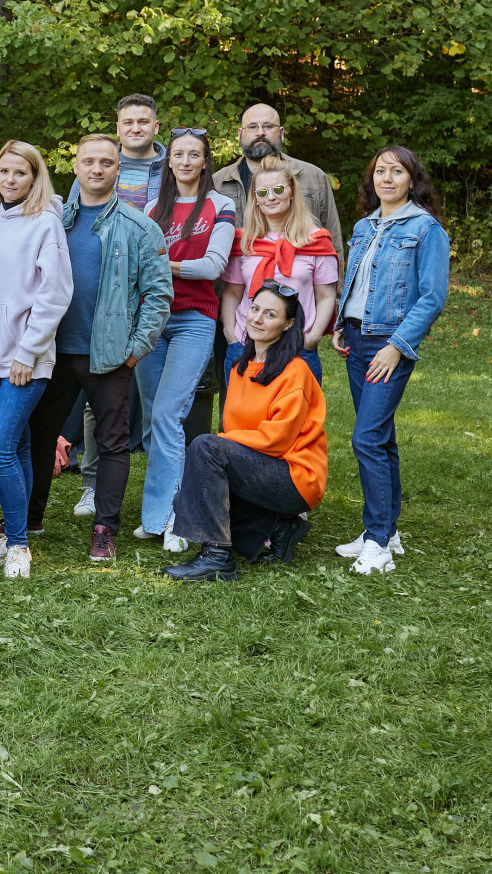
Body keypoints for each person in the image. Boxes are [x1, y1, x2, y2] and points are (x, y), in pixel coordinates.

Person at [23, 135, 172, 561]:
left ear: (118, 169)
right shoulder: (52, 221)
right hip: (53, 352)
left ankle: (105, 526)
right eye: (88, 161)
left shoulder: (140, 228)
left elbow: (159, 295)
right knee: (37, 435)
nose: (97, 169)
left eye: (106, 162)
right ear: (76, 166)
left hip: (108, 356)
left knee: (112, 443)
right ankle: (30, 519)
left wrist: (135, 349)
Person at [331, 146, 450, 575]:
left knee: (366, 439)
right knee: (381, 438)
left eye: (396, 171)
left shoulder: (426, 229)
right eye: (380, 171)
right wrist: (342, 323)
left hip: (388, 345)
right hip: (357, 340)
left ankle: (377, 543)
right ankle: (388, 531)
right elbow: (358, 280)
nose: (386, 178)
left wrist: (397, 345)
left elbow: (432, 296)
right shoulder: (364, 226)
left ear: (411, 180)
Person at [163, 283, 326, 581]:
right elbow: (235, 434)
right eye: (255, 309)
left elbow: (277, 441)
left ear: (288, 324)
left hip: (296, 476)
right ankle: (277, 528)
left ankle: (217, 558)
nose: (258, 319)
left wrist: (220, 445)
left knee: (206, 448)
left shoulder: (295, 371)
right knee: (197, 495)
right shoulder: (240, 367)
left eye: (270, 314)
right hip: (259, 465)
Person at [0, 141, 73, 579]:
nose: (10, 180)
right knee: (22, 443)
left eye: (20, 173)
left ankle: (17, 546)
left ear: (35, 178)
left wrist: (28, 351)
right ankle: (19, 527)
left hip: (24, 357)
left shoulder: (46, 222)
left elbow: (56, 292)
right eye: (3, 172)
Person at [134, 129, 237, 549]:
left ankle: (173, 517)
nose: (186, 161)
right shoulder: (153, 206)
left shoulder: (221, 205)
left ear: (205, 161)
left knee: (167, 416)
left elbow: (213, 266)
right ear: (169, 160)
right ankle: (157, 515)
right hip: (152, 321)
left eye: (194, 154)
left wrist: (163, 266)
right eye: (179, 154)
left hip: (195, 319)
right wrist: (170, 266)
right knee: (150, 419)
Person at [221, 156, 338, 381]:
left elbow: (325, 296)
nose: (271, 197)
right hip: (246, 346)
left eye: (278, 189)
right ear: (255, 199)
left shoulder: (315, 240)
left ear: (292, 192)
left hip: (297, 348)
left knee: (297, 415)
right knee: (242, 414)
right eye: (262, 192)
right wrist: (230, 334)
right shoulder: (244, 242)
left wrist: (311, 338)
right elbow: (232, 293)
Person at [215, 104, 344, 264]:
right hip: (234, 282)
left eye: (268, 126)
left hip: (299, 282)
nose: (260, 132)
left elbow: (333, 243)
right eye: (253, 126)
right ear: (240, 134)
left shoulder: (313, 177)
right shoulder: (217, 182)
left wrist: (336, 289)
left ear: (281, 133)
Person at [115, 93, 169, 210]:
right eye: (128, 122)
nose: (135, 129)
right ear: (118, 129)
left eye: (143, 122)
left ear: (156, 127)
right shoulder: (97, 165)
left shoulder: (173, 169)